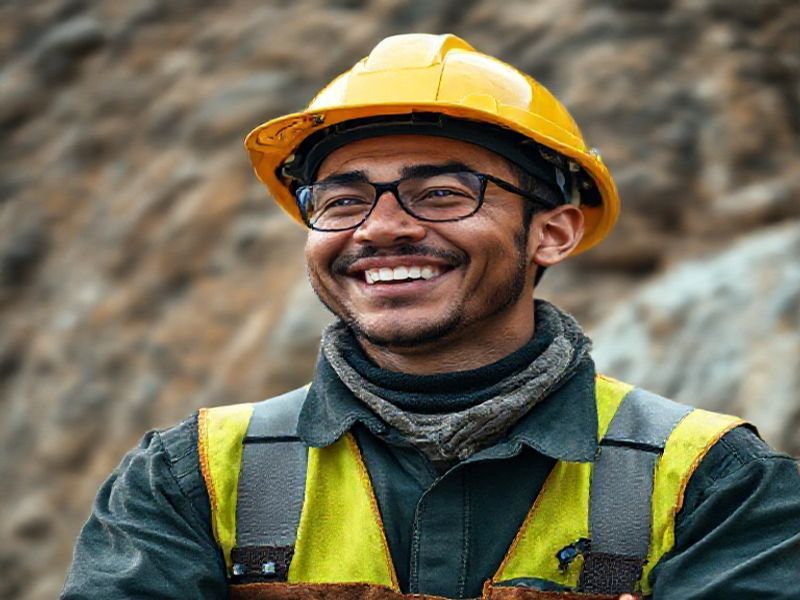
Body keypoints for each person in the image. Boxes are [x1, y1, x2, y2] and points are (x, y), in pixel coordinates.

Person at [62, 33, 800, 600]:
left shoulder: (715, 482)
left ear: (554, 231)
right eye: (343, 200)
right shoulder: (190, 475)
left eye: (444, 193)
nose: (379, 228)